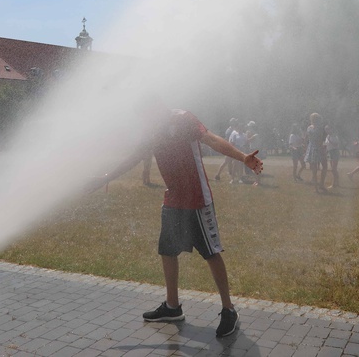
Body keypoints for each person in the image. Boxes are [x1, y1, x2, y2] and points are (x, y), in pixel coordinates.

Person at [93, 102, 263, 338]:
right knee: (167, 250)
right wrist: (106, 178)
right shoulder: (152, 130)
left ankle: (229, 310)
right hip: (173, 198)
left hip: (196, 199)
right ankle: (172, 307)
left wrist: (242, 156)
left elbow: (212, 139)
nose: (147, 122)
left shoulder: (183, 119)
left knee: (211, 253)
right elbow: (135, 157)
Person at [304, 113, 327, 193]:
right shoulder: (319, 128)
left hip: (311, 147)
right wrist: (322, 150)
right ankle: (321, 184)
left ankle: (316, 188)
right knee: (324, 166)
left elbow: (306, 138)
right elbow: (320, 140)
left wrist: (306, 148)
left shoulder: (309, 128)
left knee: (314, 169)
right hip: (317, 148)